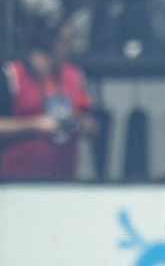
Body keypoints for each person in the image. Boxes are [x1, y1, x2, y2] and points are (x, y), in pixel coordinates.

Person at [0, 16, 98, 179]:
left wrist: (81, 124)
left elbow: (92, 124)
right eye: (66, 42)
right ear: (49, 43)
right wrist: (34, 126)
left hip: (63, 181)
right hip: (15, 182)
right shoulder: (11, 75)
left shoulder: (74, 76)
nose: (71, 48)